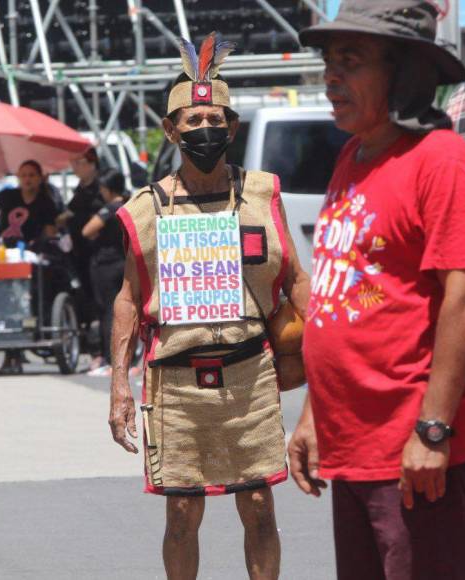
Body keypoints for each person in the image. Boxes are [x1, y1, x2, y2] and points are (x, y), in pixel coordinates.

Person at [288, 2, 465, 579]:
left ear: (402, 72)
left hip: (411, 447)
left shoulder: (440, 161)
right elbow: (336, 294)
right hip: (353, 443)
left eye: (350, 61)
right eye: (328, 62)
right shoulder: (353, 156)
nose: (331, 77)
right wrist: (312, 417)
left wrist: (432, 430)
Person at [109, 32, 310, 580]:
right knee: (180, 512)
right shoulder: (147, 210)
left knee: (260, 506)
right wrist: (119, 386)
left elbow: (296, 283)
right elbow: (128, 298)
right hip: (174, 381)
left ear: (233, 126)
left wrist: (326, 368)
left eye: (215, 119)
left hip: (250, 376)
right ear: (170, 130)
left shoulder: (263, 196)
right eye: (192, 123)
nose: (205, 130)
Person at [0, 159, 60, 375]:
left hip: (30, 257)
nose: (27, 179)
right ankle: (11, 353)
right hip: (4, 254)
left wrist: (44, 241)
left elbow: (50, 229)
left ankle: (17, 349)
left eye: (32, 175)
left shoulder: (46, 201)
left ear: (39, 178)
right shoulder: (8, 196)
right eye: (23, 175)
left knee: (26, 299)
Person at [58, 148, 105, 368]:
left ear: (90, 163)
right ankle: (92, 346)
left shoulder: (100, 187)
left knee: (100, 303)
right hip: (80, 254)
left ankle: (101, 351)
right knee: (84, 299)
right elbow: (72, 212)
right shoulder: (80, 188)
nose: (74, 167)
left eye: (78, 162)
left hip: (99, 253)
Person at [81, 169, 127, 377]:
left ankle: (110, 360)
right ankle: (126, 357)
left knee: (108, 310)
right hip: (124, 262)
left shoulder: (110, 209)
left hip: (105, 265)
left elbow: (87, 231)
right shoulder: (129, 205)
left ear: (107, 189)